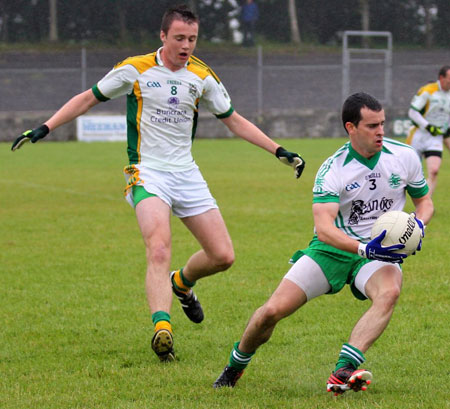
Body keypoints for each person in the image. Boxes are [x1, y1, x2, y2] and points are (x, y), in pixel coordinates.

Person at [11, 4, 305, 363]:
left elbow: (234, 120)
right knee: (158, 247)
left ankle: (181, 283)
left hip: (186, 174)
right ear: (163, 36)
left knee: (223, 256)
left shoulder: (202, 76)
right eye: (179, 38)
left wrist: (278, 151)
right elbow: (87, 98)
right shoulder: (134, 69)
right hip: (146, 171)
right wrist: (45, 127)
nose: (186, 45)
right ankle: (162, 329)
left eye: (192, 39)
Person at [213, 92, 434, 395]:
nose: (380, 131)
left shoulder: (404, 156)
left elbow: (425, 202)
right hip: (333, 248)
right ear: (350, 128)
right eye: (371, 126)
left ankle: (343, 371)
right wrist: (362, 248)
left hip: (379, 252)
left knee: (389, 292)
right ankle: (234, 366)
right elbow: (324, 228)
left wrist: (416, 226)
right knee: (272, 312)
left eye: (382, 123)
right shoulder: (334, 169)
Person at [406, 65, 450, 195]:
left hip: (435, 138)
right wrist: (428, 126)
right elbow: (412, 112)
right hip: (418, 135)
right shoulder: (428, 91)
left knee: (434, 170)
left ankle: (426, 204)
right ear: (441, 78)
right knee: (408, 174)